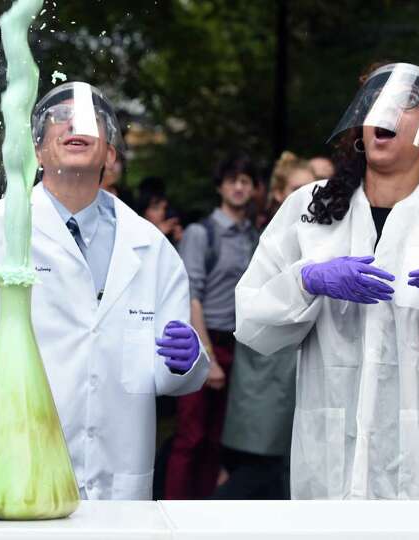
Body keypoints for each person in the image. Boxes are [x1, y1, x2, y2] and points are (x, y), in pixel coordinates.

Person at [0, 81, 210, 501]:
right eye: (59, 117)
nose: (75, 122)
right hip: (5, 461)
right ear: (37, 151)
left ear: (111, 154)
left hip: (115, 476)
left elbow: (161, 370)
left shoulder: (152, 248)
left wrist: (186, 362)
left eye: (91, 119)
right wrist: (9, 408)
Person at [235, 62, 419, 520]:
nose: (385, 108)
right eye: (375, 99)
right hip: (329, 465)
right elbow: (253, 319)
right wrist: (306, 281)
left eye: (406, 101)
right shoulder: (311, 207)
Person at [211, 152, 316, 500]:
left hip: (292, 365)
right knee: (260, 462)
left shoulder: (320, 228)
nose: (310, 195)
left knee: (284, 464)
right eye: (300, 188)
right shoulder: (269, 234)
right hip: (266, 360)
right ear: (277, 192)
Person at [165, 152, 259, 500]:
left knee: (218, 439)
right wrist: (208, 358)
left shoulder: (254, 235)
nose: (238, 187)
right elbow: (191, 295)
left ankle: (203, 514)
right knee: (190, 436)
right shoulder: (201, 233)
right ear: (219, 186)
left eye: (245, 181)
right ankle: (173, 509)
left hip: (241, 347)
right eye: (232, 180)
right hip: (204, 343)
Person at [263, 151, 317, 227]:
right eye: (298, 189)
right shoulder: (266, 236)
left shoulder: (325, 233)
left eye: (313, 188)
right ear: (279, 193)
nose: (308, 195)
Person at [133, 176, 183, 244]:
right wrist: (157, 234)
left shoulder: (170, 230)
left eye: (165, 208)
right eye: (155, 208)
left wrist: (178, 241)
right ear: (143, 212)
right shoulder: (134, 232)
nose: (162, 213)